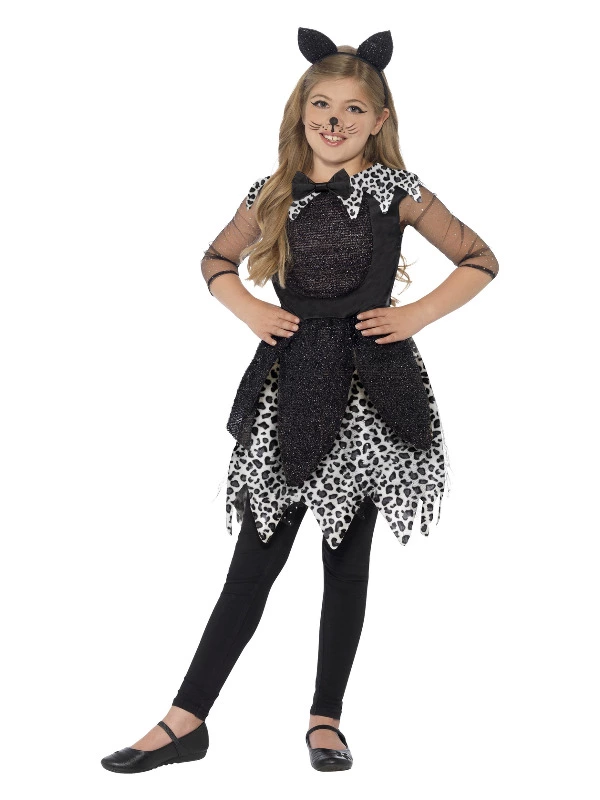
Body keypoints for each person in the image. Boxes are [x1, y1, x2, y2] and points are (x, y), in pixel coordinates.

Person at [101, 26, 499, 775]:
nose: (335, 122)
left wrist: (415, 315)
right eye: (323, 105)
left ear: (379, 120)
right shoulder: (272, 192)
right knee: (255, 559)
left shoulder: (398, 191)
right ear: (301, 109)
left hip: (370, 393)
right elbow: (215, 260)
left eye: (354, 110)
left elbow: (480, 259)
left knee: (345, 563)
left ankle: (326, 718)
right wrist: (249, 308)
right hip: (289, 388)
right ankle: (186, 720)